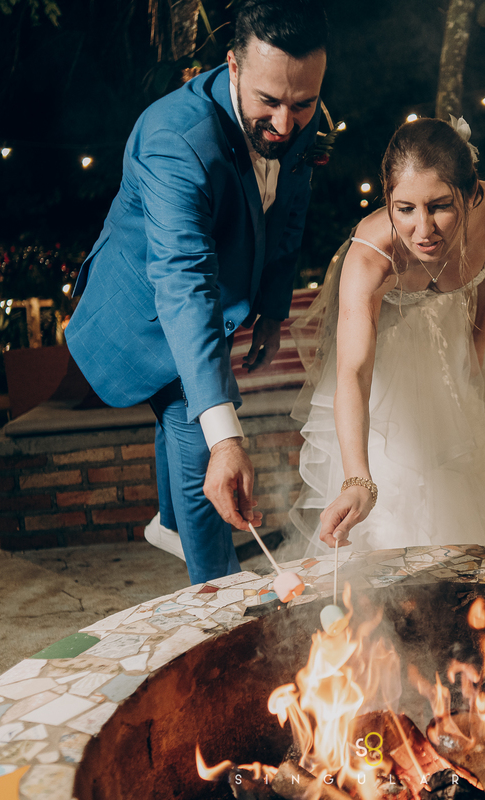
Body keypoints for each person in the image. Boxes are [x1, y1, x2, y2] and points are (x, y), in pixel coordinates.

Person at [66, 0, 328, 584]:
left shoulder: (304, 119)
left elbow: (288, 217)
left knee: (186, 412)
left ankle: (171, 522)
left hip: (217, 298)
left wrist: (270, 311)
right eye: (269, 102)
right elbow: (185, 282)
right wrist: (227, 436)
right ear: (233, 67)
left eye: (303, 103)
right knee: (201, 427)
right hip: (147, 309)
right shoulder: (174, 140)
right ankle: (220, 593)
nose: (286, 125)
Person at [287, 117, 485, 553]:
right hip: (388, 374)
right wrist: (357, 479)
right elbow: (353, 371)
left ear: (472, 192)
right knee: (404, 498)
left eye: (440, 205)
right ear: (388, 199)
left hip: (456, 344)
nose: (423, 230)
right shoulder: (370, 255)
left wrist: (476, 353)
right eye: (404, 208)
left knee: (482, 488)